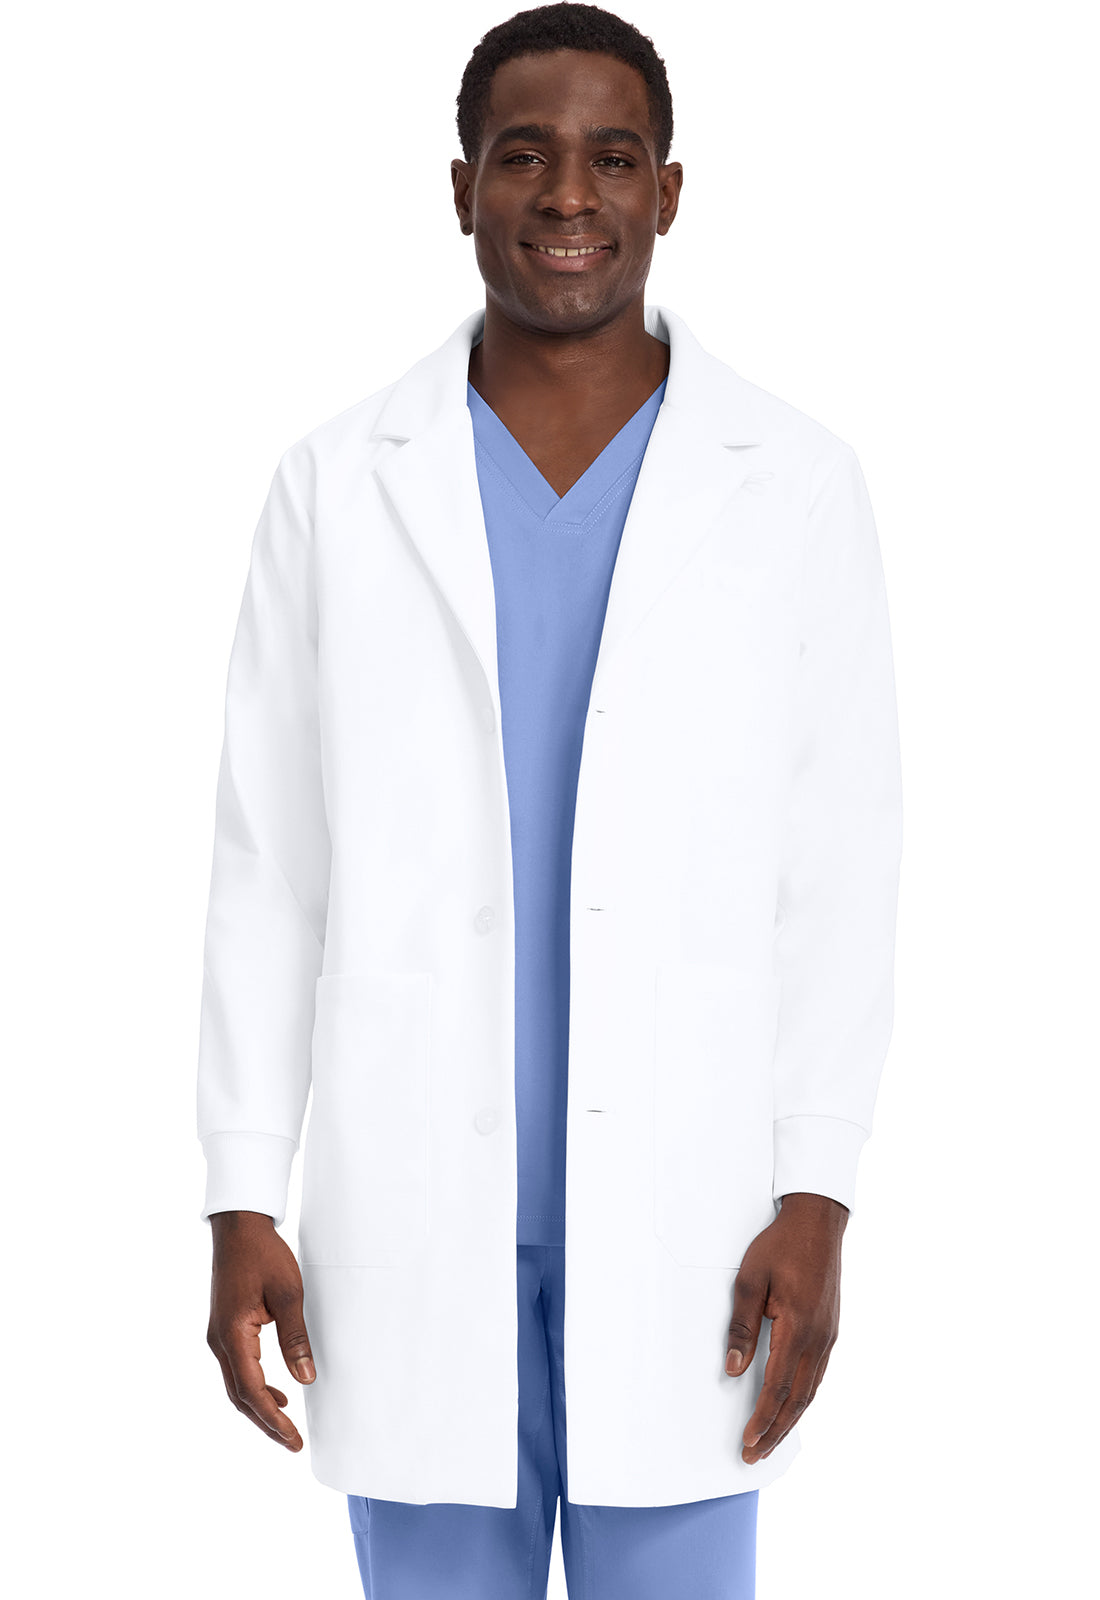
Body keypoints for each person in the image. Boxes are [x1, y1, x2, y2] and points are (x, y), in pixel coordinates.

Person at [196, 5, 903, 1597]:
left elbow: (842, 865)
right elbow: (268, 867)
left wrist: (819, 1193)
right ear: (461, 188)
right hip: (413, 1217)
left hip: (694, 1227)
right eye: (525, 155)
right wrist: (242, 1189)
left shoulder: (792, 484)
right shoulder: (335, 484)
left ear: (670, 192)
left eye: (614, 158)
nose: (570, 195)